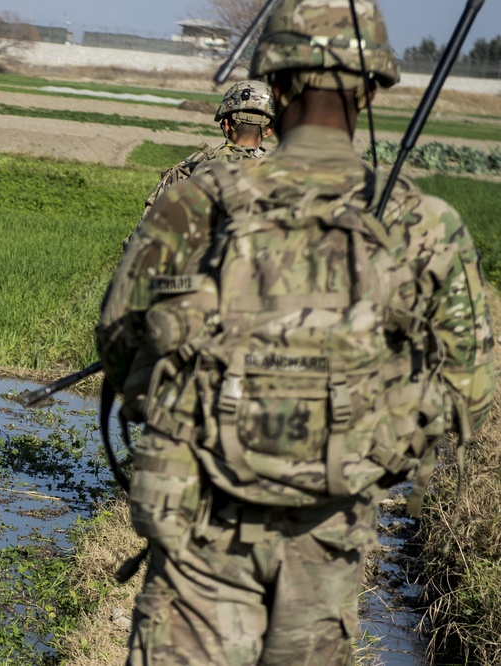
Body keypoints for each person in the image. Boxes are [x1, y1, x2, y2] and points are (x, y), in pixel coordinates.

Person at [95, 1, 495, 664]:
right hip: (330, 539)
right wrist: (373, 431)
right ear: (370, 90)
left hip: (199, 533)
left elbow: (118, 344)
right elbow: (469, 399)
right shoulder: (425, 224)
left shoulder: (200, 196)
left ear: (275, 86)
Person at [125, 80, 273, 248]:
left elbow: (143, 237)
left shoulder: (191, 167)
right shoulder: (285, 171)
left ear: (226, 123)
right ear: (269, 130)